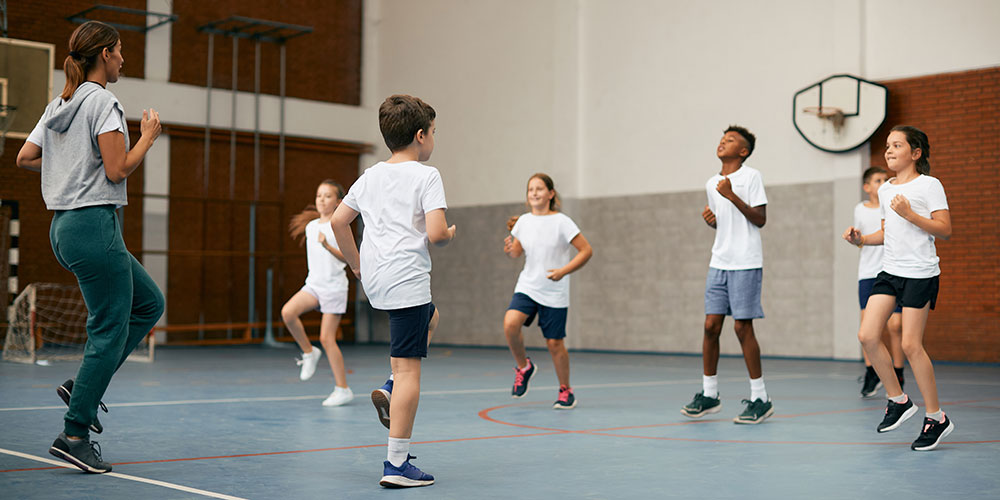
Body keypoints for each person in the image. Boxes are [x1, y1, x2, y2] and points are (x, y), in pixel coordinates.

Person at [16, 20, 164, 473]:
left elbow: (25, 158)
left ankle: (83, 384)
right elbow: (117, 170)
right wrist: (148, 138)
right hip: (94, 225)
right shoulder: (103, 101)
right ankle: (74, 432)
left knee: (149, 304)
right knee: (108, 327)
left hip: (64, 228)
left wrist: (66, 163)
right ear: (103, 55)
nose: (123, 59)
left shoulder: (58, 103)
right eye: (118, 52)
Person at [332, 94, 454, 487]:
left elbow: (338, 222)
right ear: (420, 136)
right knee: (409, 370)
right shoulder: (426, 175)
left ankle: (389, 384)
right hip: (407, 280)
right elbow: (436, 235)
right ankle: (396, 465)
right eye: (433, 132)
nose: (434, 138)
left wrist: (356, 264)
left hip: (378, 281)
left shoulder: (369, 176)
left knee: (431, 318)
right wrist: (449, 233)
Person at [845, 125, 954, 451]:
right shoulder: (888, 189)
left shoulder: (929, 185)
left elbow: (945, 229)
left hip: (920, 273)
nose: (889, 151)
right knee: (867, 336)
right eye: (888, 146)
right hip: (889, 271)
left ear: (915, 153)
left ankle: (937, 417)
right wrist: (861, 239)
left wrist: (910, 214)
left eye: (897, 145)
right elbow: (886, 232)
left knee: (910, 345)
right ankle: (899, 400)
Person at [680, 125, 774, 424]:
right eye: (722, 139)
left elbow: (760, 219)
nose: (724, 142)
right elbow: (726, 224)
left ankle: (761, 398)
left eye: (731, 140)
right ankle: (710, 395)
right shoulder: (712, 183)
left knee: (742, 328)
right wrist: (712, 222)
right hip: (719, 260)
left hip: (746, 261)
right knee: (710, 325)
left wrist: (732, 196)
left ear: (743, 152)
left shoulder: (751, 177)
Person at [502, 174, 592, 409]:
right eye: (530, 189)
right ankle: (524, 367)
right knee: (510, 324)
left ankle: (565, 390)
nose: (534, 193)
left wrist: (563, 271)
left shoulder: (562, 222)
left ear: (551, 194)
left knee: (554, 344)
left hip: (554, 290)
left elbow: (586, 251)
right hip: (528, 286)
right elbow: (517, 253)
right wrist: (511, 248)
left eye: (539, 188)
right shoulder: (523, 221)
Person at [283, 180, 354, 406]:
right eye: (319, 195)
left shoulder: (340, 225)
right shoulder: (311, 226)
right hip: (314, 285)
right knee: (288, 313)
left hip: (334, 287)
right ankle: (308, 352)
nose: (322, 200)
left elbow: (350, 258)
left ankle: (343, 389)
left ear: (339, 201)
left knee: (327, 338)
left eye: (327, 196)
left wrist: (328, 247)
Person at [843, 167, 904, 398]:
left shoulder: (893, 205)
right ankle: (872, 371)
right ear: (867, 187)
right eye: (877, 180)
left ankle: (898, 371)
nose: (882, 183)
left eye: (884, 179)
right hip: (868, 273)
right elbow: (860, 236)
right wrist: (855, 237)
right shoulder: (860, 209)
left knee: (895, 326)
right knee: (867, 328)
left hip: (891, 271)